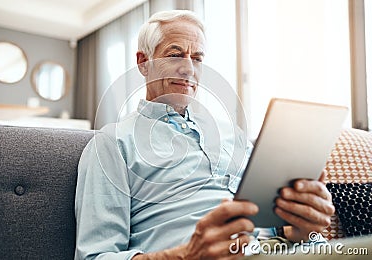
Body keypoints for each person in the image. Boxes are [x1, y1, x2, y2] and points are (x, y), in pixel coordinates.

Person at [74, 10, 335, 259]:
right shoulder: (112, 144)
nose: (189, 69)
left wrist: (303, 228)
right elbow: (96, 256)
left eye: (197, 58)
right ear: (143, 63)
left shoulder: (234, 136)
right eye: (175, 55)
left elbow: (282, 227)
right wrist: (186, 256)